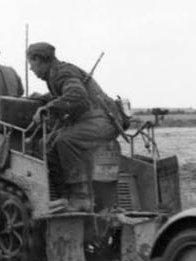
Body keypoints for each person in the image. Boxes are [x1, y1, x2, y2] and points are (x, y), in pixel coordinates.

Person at [26, 41, 123, 212]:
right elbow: (67, 92)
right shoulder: (57, 73)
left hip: (102, 120)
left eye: (31, 64)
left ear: (39, 60)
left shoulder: (61, 73)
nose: (31, 69)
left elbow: (77, 96)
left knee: (65, 140)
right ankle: (65, 197)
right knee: (46, 144)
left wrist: (47, 108)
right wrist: (44, 99)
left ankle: (80, 198)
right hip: (94, 120)